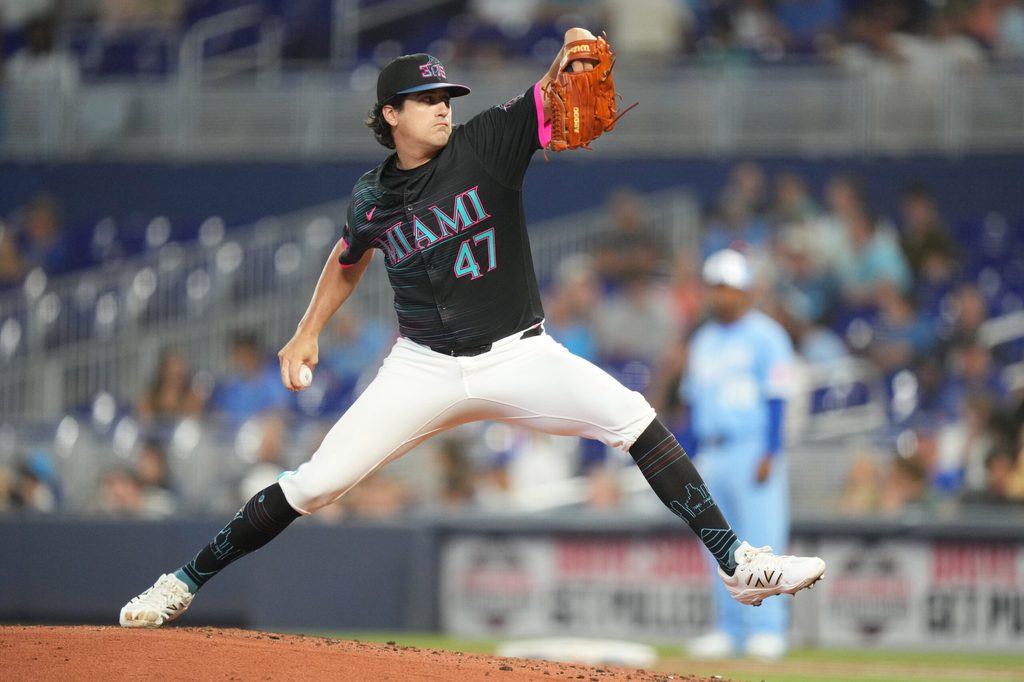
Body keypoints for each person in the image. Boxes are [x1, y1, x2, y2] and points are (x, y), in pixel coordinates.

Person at [119, 32, 825, 628]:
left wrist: (573, 44)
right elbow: (348, 256)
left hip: (519, 356)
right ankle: (182, 581)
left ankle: (737, 561)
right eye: (426, 99)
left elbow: (549, 95)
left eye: (446, 97)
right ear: (390, 114)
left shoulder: (486, 141)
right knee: (314, 484)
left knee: (633, 417)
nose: (442, 107)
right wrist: (307, 331)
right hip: (421, 367)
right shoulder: (371, 195)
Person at [683, 249, 798, 661]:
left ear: (745, 290)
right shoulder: (703, 340)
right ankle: (728, 629)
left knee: (762, 543)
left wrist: (771, 449)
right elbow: (693, 404)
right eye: (715, 287)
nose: (721, 295)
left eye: (728, 287)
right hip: (712, 450)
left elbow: (778, 396)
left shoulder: (767, 335)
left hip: (752, 447)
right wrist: (690, 457)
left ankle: (768, 629)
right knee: (718, 545)